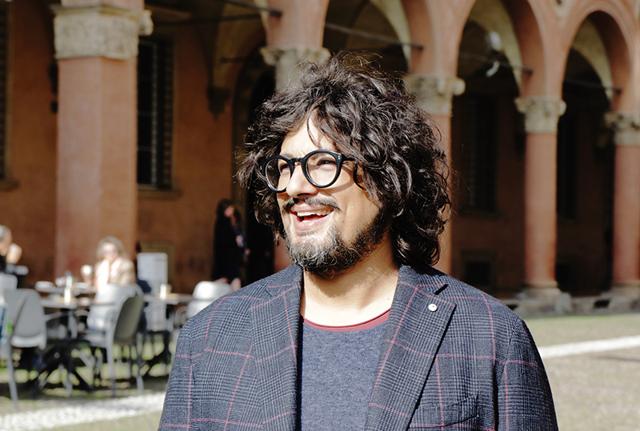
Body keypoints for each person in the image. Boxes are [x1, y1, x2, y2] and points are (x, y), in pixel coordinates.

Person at [160, 54, 558, 430]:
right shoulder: (209, 338)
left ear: (388, 180)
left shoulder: (490, 338)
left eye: (323, 163)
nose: (294, 187)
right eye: (284, 167)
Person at [212, 199, 246, 290]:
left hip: (232, 256)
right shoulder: (222, 222)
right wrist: (235, 240)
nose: (231, 210)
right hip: (226, 256)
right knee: (229, 278)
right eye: (229, 209)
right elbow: (223, 241)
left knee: (232, 278)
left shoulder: (234, 219)